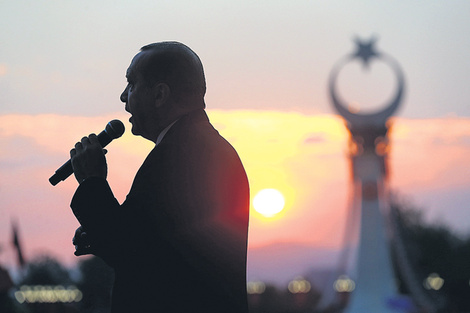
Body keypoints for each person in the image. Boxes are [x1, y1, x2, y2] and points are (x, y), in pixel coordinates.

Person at [69, 42, 250, 313]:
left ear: (159, 94)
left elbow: (127, 248)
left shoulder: (178, 153)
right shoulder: (201, 146)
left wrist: (92, 181)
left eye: (131, 84)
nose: (122, 96)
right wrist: (100, 235)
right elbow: (156, 250)